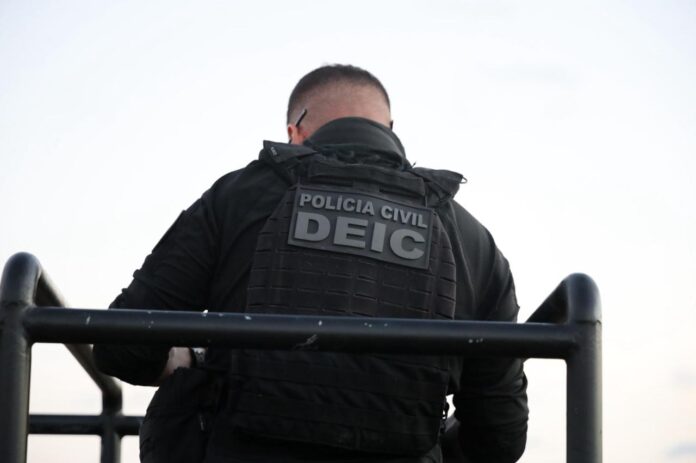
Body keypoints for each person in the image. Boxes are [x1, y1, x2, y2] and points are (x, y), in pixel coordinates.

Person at [93, 64, 528, 463]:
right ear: (390, 129)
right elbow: (500, 436)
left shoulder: (238, 196)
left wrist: (193, 360)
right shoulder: (473, 240)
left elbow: (124, 347)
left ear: (294, 132)